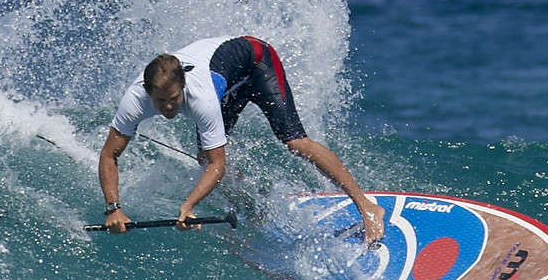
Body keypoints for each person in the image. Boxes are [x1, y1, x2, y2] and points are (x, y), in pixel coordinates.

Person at [98, 35, 386, 243]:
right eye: (160, 101)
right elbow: (110, 154)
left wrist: (189, 206)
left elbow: (218, 164)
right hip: (228, 80)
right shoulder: (134, 101)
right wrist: (114, 208)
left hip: (258, 62)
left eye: (174, 99)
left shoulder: (201, 98)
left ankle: (366, 206)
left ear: (183, 86)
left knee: (294, 142)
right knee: (203, 157)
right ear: (147, 93)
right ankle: (254, 211)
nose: (169, 107)